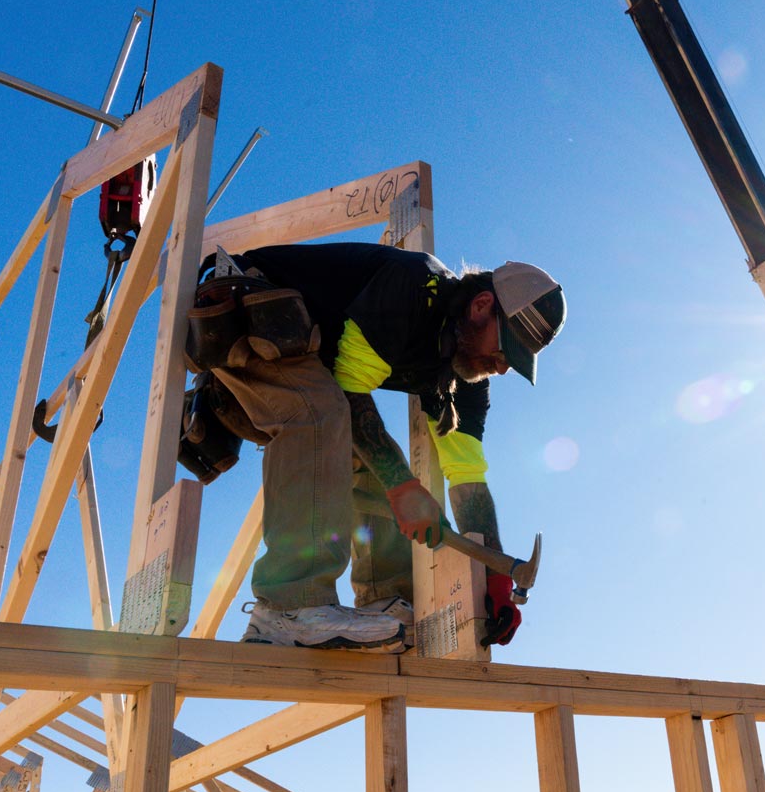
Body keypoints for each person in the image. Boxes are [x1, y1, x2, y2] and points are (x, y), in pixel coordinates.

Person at [190, 242, 566, 652]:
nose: (503, 366)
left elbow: (467, 479)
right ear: (480, 306)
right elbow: (348, 393)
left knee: (375, 460)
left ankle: (385, 601)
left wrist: (495, 577)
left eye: (515, 360)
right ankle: (287, 607)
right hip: (246, 308)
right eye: (505, 347)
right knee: (323, 416)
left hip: (301, 357)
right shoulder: (414, 289)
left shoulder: (465, 377)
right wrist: (403, 487)